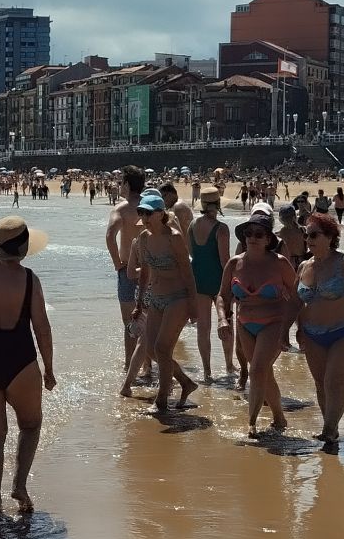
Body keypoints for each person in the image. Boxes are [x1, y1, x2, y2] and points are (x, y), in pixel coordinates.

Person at [0, 216, 57, 518]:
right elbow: (42, 328)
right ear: (24, 247)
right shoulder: (29, 279)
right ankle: (18, 483)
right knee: (30, 425)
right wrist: (48, 368)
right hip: (20, 359)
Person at [295, 212, 344, 451]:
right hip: (313, 334)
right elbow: (297, 303)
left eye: (314, 235)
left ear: (330, 236)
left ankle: (328, 431)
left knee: (334, 381)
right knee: (321, 384)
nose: (309, 239)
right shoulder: (303, 266)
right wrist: (296, 330)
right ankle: (332, 426)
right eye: (306, 235)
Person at [219, 212, 298, 432]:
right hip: (245, 323)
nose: (253, 237)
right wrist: (222, 319)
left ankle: (251, 424)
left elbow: (297, 295)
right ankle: (279, 418)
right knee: (262, 372)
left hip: (274, 322)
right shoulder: (234, 263)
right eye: (249, 233)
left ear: (268, 239)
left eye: (259, 234)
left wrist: (296, 327)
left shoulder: (279, 263)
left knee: (257, 370)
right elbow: (222, 295)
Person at [122, 193, 200, 410]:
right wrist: (139, 304)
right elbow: (145, 272)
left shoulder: (174, 237)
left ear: (160, 214)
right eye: (141, 212)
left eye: (148, 212)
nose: (144, 217)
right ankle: (186, 382)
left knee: (163, 348)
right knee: (150, 349)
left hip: (178, 298)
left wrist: (194, 305)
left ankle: (162, 400)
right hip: (155, 298)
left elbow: (187, 273)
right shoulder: (144, 238)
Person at [105, 165, 151, 381]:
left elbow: (110, 235)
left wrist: (117, 262)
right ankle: (147, 368)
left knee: (129, 323)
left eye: (121, 181)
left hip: (128, 271)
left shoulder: (121, 209)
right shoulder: (150, 206)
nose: (118, 185)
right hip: (151, 269)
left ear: (127, 184)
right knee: (150, 320)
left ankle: (128, 367)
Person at [187, 185, 232, 385]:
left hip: (198, 278)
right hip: (218, 280)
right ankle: (229, 365)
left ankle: (207, 372)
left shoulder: (191, 225)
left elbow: (192, 253)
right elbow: (225, 261)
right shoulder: (221, 229)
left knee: (203, 328)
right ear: (218, 203)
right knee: (226, 323)